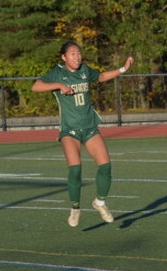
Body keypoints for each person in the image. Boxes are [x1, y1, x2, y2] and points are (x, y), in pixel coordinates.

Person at [31, 42, 134, 227]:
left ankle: (99, 202)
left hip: (90, 127)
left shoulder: (85, 70)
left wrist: (123, 69)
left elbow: (101, 76)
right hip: (69, 130)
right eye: (72, 53)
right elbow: (36, 86)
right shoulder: (58, 73)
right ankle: (75, 208)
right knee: (75, 169)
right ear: (64, 57)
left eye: (78, 53)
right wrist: (59, 85)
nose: (77, 57)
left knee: (106, 166)